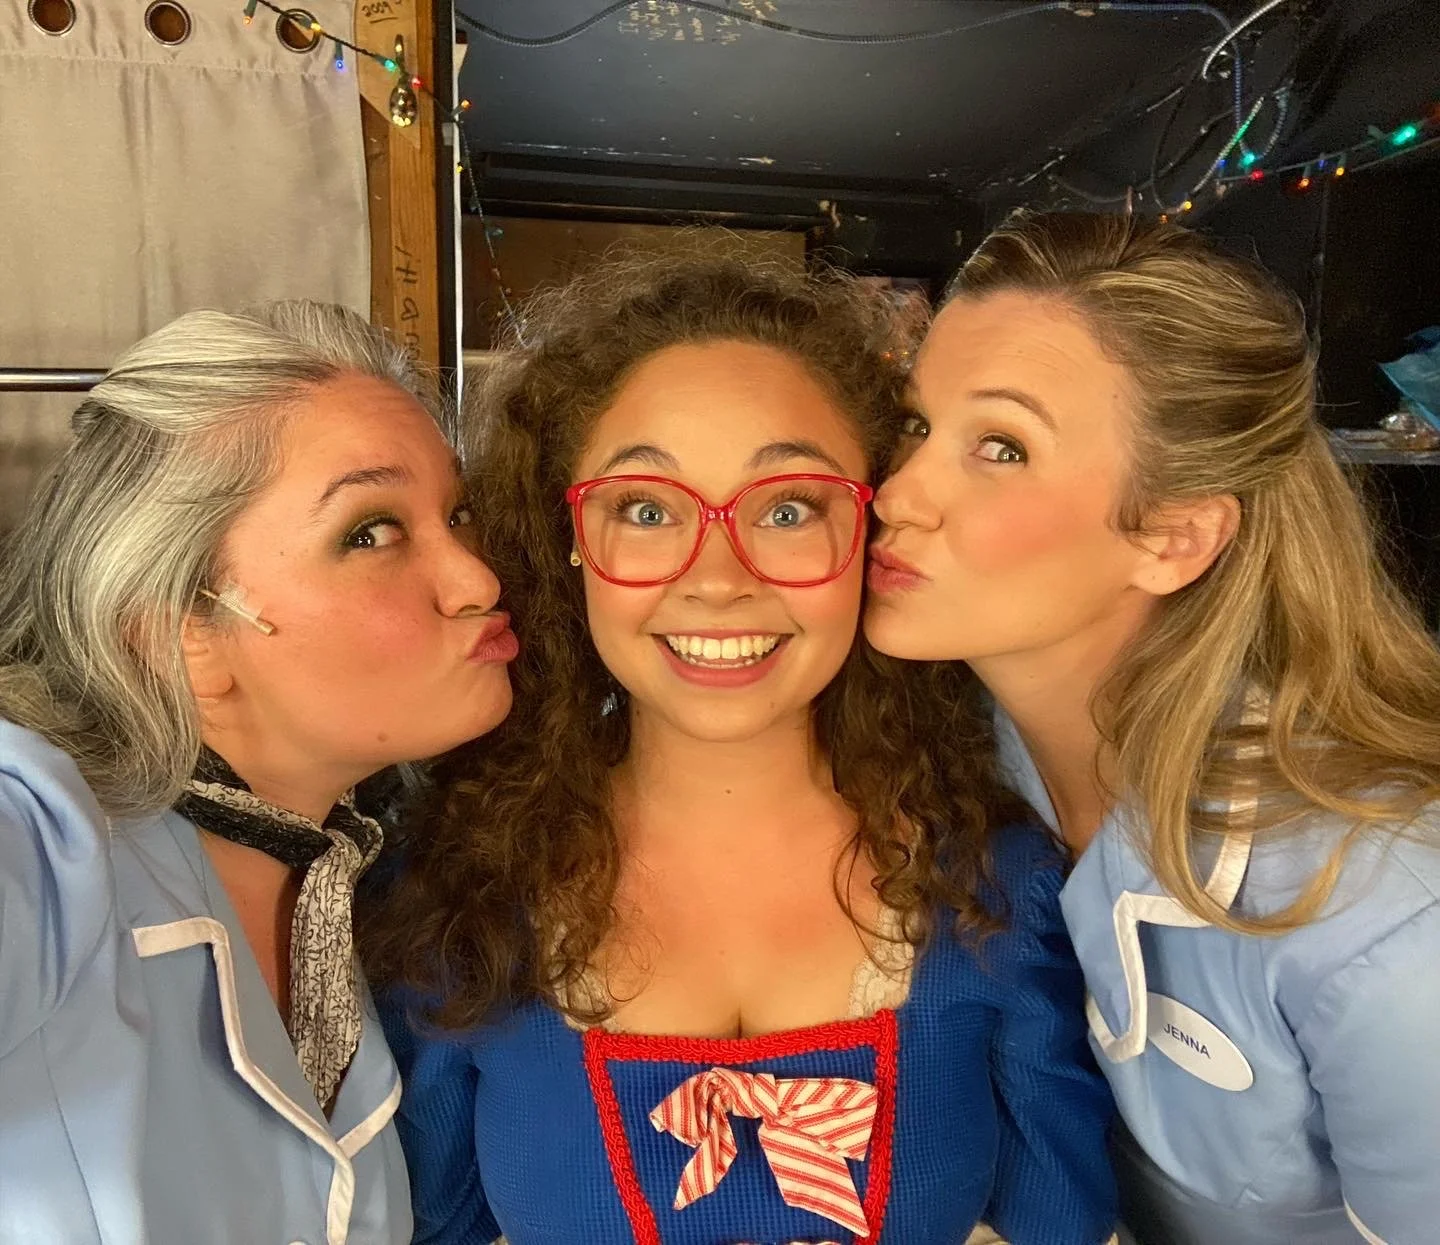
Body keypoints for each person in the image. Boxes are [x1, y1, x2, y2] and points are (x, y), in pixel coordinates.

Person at [366, 255, 1118, 1245]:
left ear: (872, 531)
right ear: (572, 538)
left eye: (789, 508)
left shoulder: (999, 889)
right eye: (646, 509)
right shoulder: (454, 903)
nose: (717, 577)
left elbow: (1066, 1224)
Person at [864, 210, 1440, 1245]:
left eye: (1000, 447)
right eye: (915, 424)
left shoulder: (1387, 914)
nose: (897, 494)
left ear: (1173, 536)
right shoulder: (936, 755)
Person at [0, 301, 518, 1244]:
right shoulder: (41, 844)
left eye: (457, 514)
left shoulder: (363, 888)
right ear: (181, 634)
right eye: (370, 533)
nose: (478, 578)